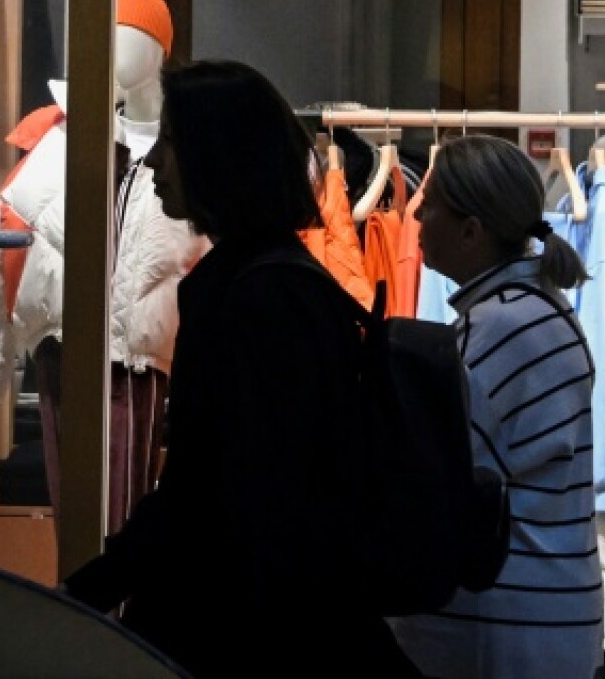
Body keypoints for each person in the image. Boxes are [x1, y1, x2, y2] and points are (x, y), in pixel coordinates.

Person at [63, 59, 419, 679]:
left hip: (251, 632)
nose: (151, 163)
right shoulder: (269, 282)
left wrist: (86, 593)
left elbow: (215, 489)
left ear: (217, 154)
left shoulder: (259, 295)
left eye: (170, 142)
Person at [0, 0, 204, 527]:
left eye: (133, 37)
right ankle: (79, 606)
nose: (118, 50)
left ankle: (112, 612)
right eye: (111, 35)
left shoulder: (184, 151)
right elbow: (5, 240)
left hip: (143, 360)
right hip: (65, 348)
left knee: (128, 513)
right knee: (74, 512)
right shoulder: (62, 141)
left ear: (160, 50)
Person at [390, 133, 604, 679]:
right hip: (540, 619)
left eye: (430, 204)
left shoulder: (501, 327)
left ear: (471, 230)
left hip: (504, 630)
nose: (416, 217)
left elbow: (448, 480)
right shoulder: (535, 313)